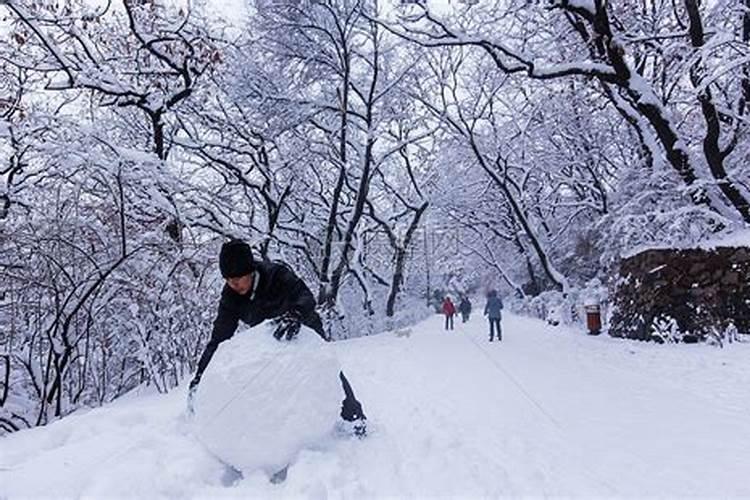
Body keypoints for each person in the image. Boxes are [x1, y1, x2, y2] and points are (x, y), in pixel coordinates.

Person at [189, 239, 366, 435]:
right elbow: (219, 339)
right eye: (228, 279)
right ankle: (290, 427)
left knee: (323, 369)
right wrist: (199, 378)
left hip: (304, 327)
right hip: (271, 340)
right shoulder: (231, 297)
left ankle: (354, 417)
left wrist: (296, 314)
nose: (234, 284)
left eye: (238, 277)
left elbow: (306, 296)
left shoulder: (276, 275)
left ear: (251, 271)